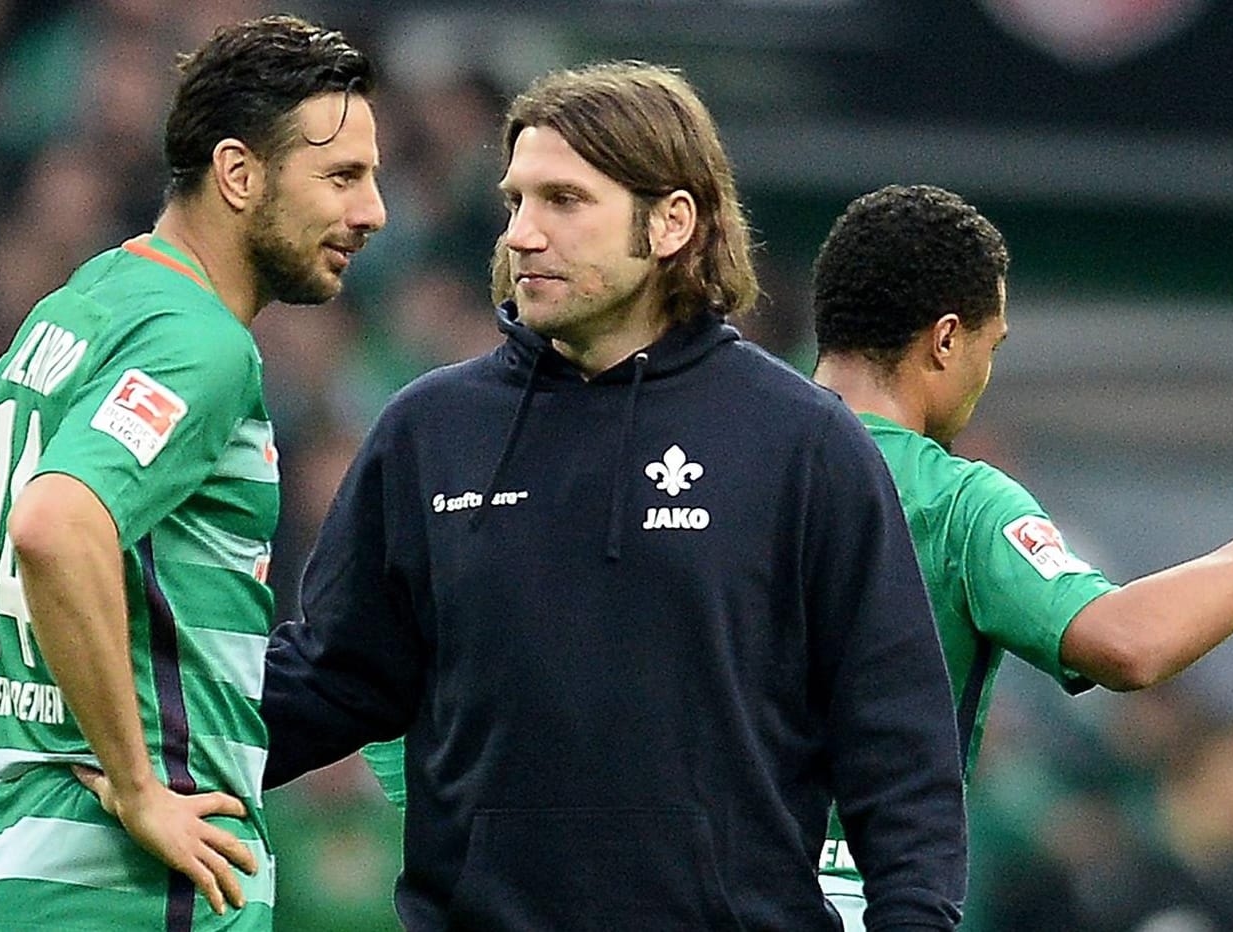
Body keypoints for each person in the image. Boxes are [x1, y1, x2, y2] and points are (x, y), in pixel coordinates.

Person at [262, 62, 968, 931]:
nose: (522, 233)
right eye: (517, 200)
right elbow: (330, 680)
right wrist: (134, 740)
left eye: (563, 201)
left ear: (672, 222)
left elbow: (898, 751)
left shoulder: (804, 444)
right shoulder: (429, 432)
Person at [0, 15, 386, 931]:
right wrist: (141, 790)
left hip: (27, 880)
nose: (372, 211)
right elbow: (56, 525)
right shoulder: (199, 344)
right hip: (146, 890)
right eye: (341, 177)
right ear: (238, 173)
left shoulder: (84, 303)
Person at [809, 183, 1233, 929]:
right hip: (859, 899)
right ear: (947, 340)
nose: (987, 374)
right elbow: (1126, 642)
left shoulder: (723, 450)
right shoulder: (954, 501)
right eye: (993, 346)